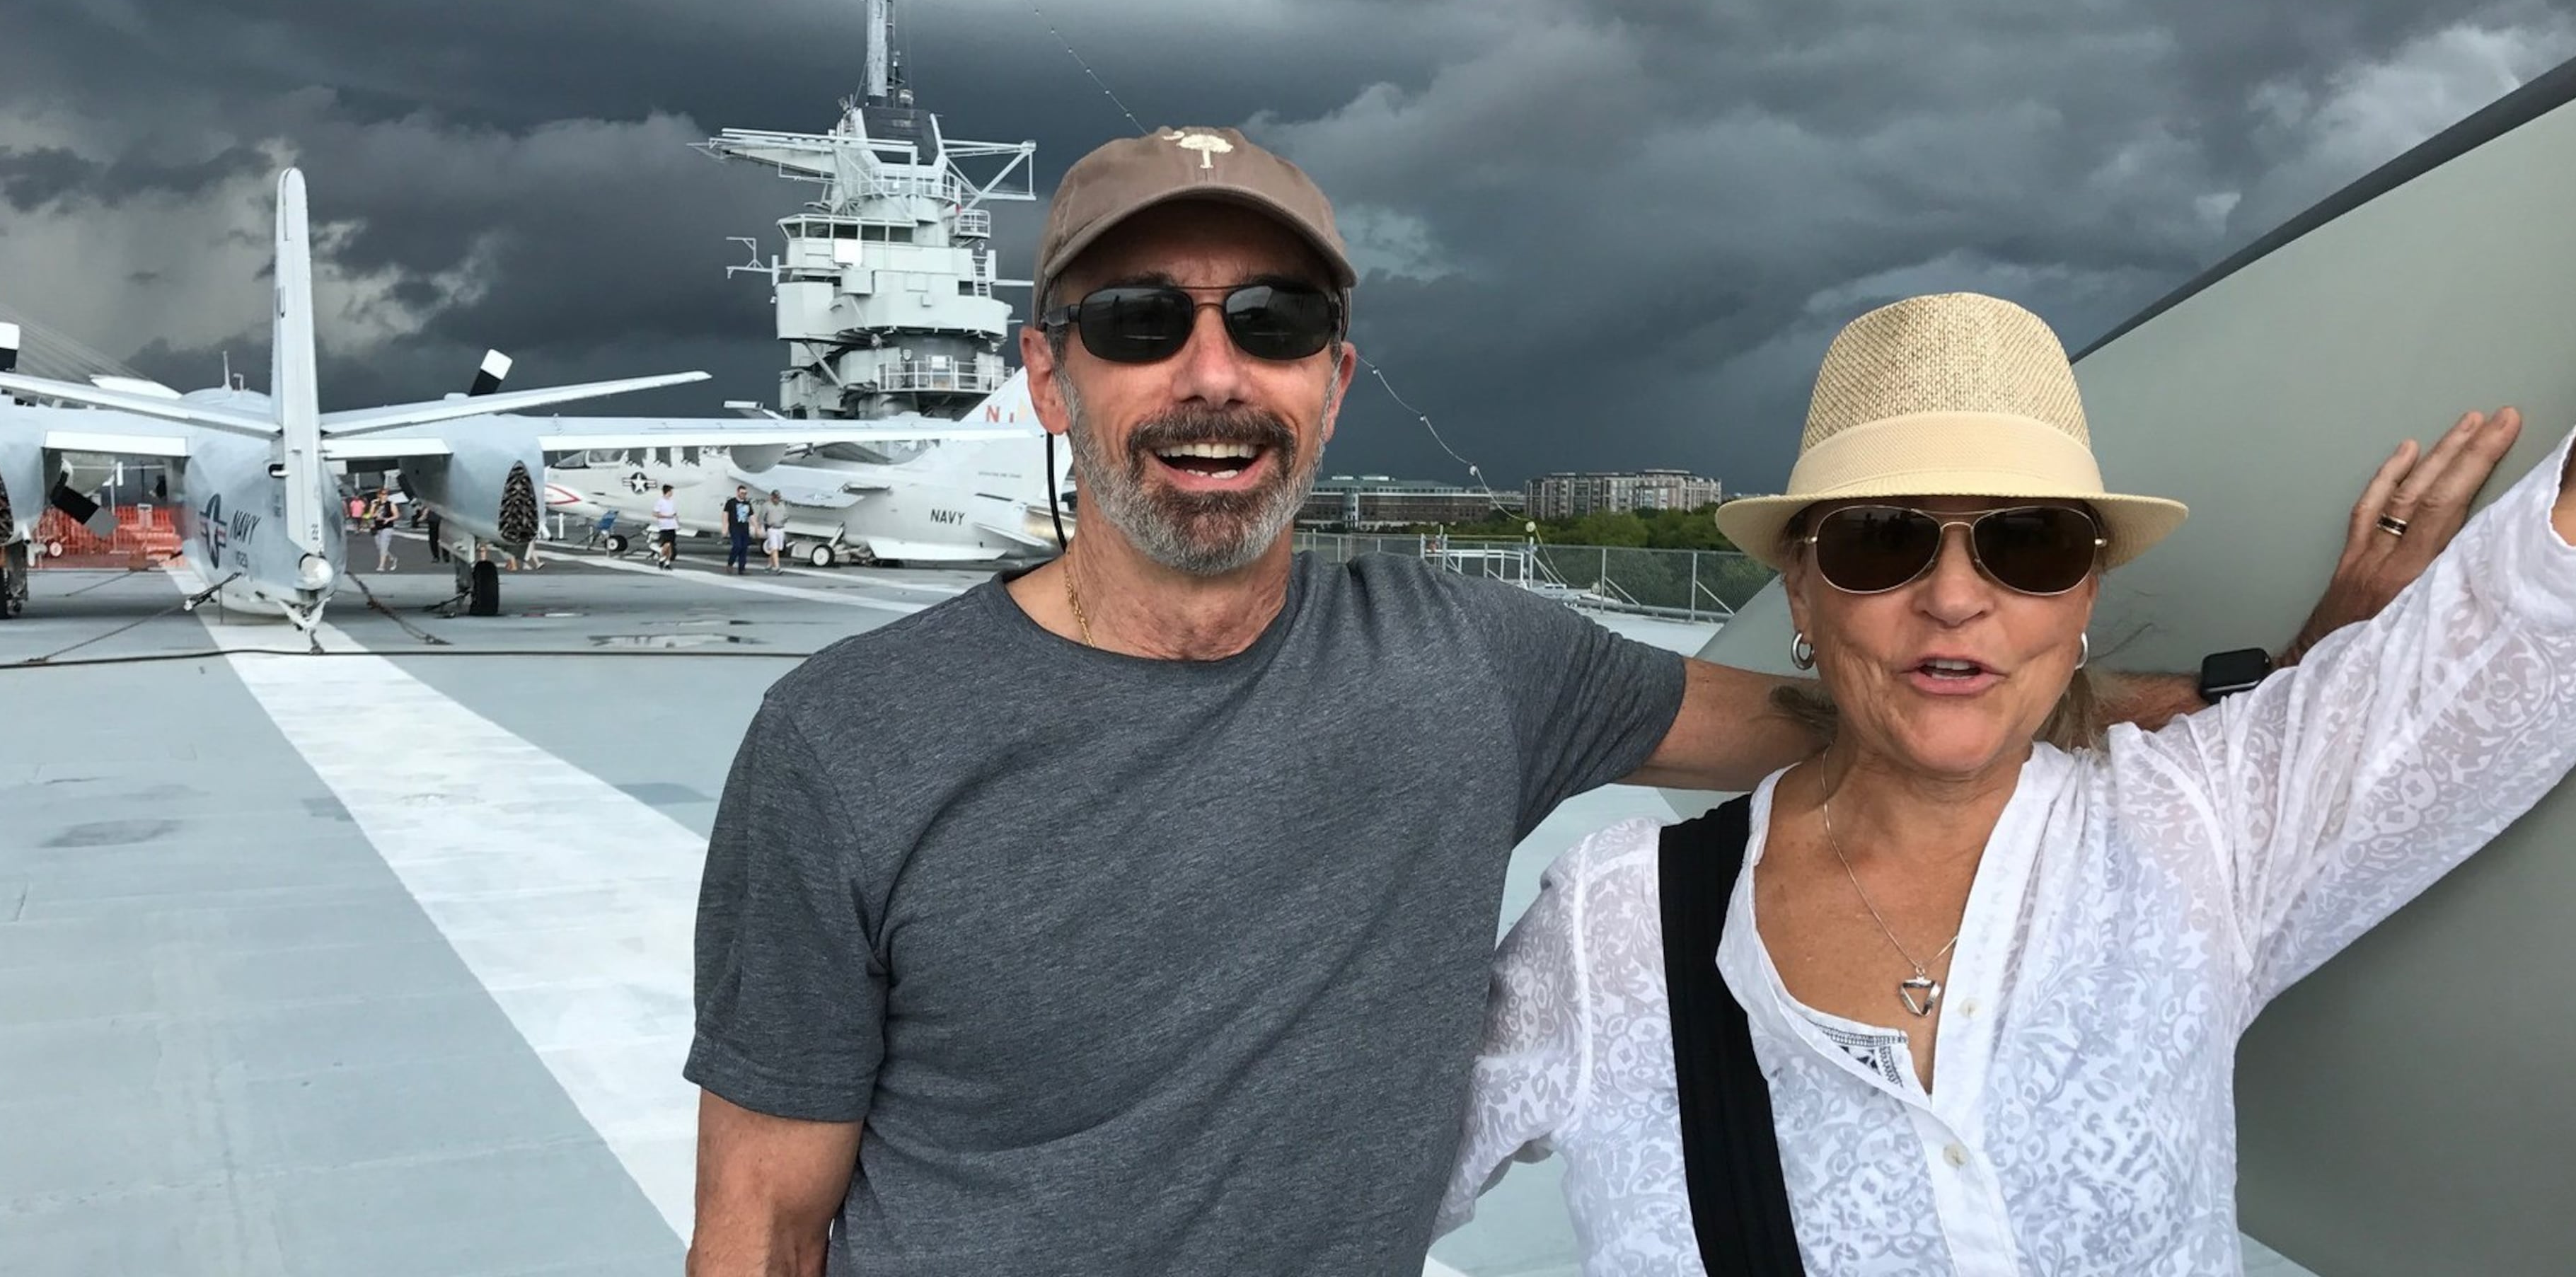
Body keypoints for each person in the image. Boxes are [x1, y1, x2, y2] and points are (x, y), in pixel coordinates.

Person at [683, 128, 2447, 1277]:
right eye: (1142, 318)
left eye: (1275, 318)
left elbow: (1855, 696)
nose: (1211, 370)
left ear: (1335, 378)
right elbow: (759, 1218)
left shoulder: (1464, 661)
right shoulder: (852, 744)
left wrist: (2261, 688)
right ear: (1047, 372)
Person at [1442, 264, 2576, 1273]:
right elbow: (1316, 1194)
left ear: (2085, 592)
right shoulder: (1612, 929)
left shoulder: (2202, 828)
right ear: (1803, 596)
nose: (1953, 600)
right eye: (1882, 542)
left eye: (2027, 545)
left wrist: (2329, 658)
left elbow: (2575, 577)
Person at [724, 485, 755, 575]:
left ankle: (742, 569)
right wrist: (725, 528)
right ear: (738, 493)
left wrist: (756, 527)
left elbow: (751, 516)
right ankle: (730, 563)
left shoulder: (748, 504)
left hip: (744, 528)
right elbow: (725, 515)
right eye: (742, 493)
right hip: (734, 527)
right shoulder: (731, 502)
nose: (743, 495)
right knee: (737, 546)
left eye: (745, 493)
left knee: (744, 548)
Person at [761, 490, 790, 572]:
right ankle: (777, 567)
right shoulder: (767, 506)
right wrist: (767, 524)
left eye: (778, 498)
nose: (777, 500)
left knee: (777, 549)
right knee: (774, 548)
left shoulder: (782, 506)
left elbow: (786, 516)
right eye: (776, 498)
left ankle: (769, 565)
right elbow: (762, 517)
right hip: (772, 529)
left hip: (780, 528)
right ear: (772, 497)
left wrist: (783, 521)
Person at [652, 484, 678, 570]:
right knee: (666, 544)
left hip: (672, 525)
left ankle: (667, 562)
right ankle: (661, 559)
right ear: (667, 492)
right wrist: (666, 517)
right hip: (664, 525)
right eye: (671, 491)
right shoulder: (660, 502)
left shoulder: (671, 502)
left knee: (670, 545)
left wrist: (675, 519)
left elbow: (674, 513)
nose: (672, 493)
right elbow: (655, 513)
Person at [370, 502, 397, 572]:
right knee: (379, 546)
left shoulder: (390, 504)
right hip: (377, 527)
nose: (383, 496)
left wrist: (388, 519)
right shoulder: (375, 504)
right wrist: (373, 506)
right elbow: (371, 515)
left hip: (388, 527)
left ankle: (381, 566)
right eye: (381, 494)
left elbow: (397, 515)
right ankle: (392, 558)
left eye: (385, 494)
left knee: (383, 546)